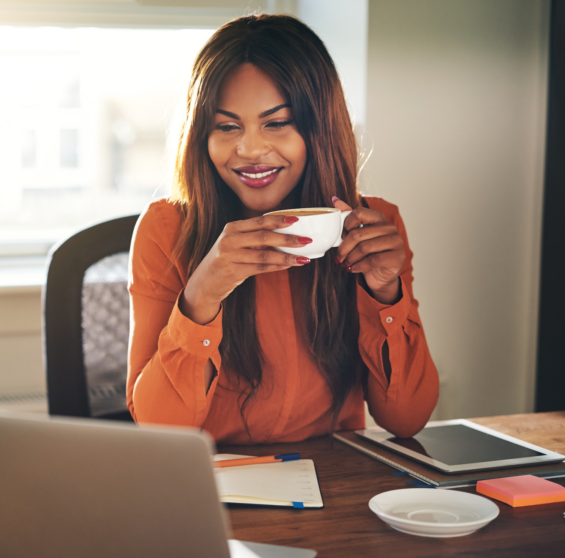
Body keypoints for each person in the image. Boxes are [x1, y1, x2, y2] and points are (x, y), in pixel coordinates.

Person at [126, 14, 438, 444]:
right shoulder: (166, 230)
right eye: (226, 126)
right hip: (214, 488)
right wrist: (202, 296)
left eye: (276, 123)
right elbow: (158, 430)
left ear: (319, 129)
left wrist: (385, 293)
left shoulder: (373, 225)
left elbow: (407, 419)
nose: (250, 149)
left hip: (332, 485)